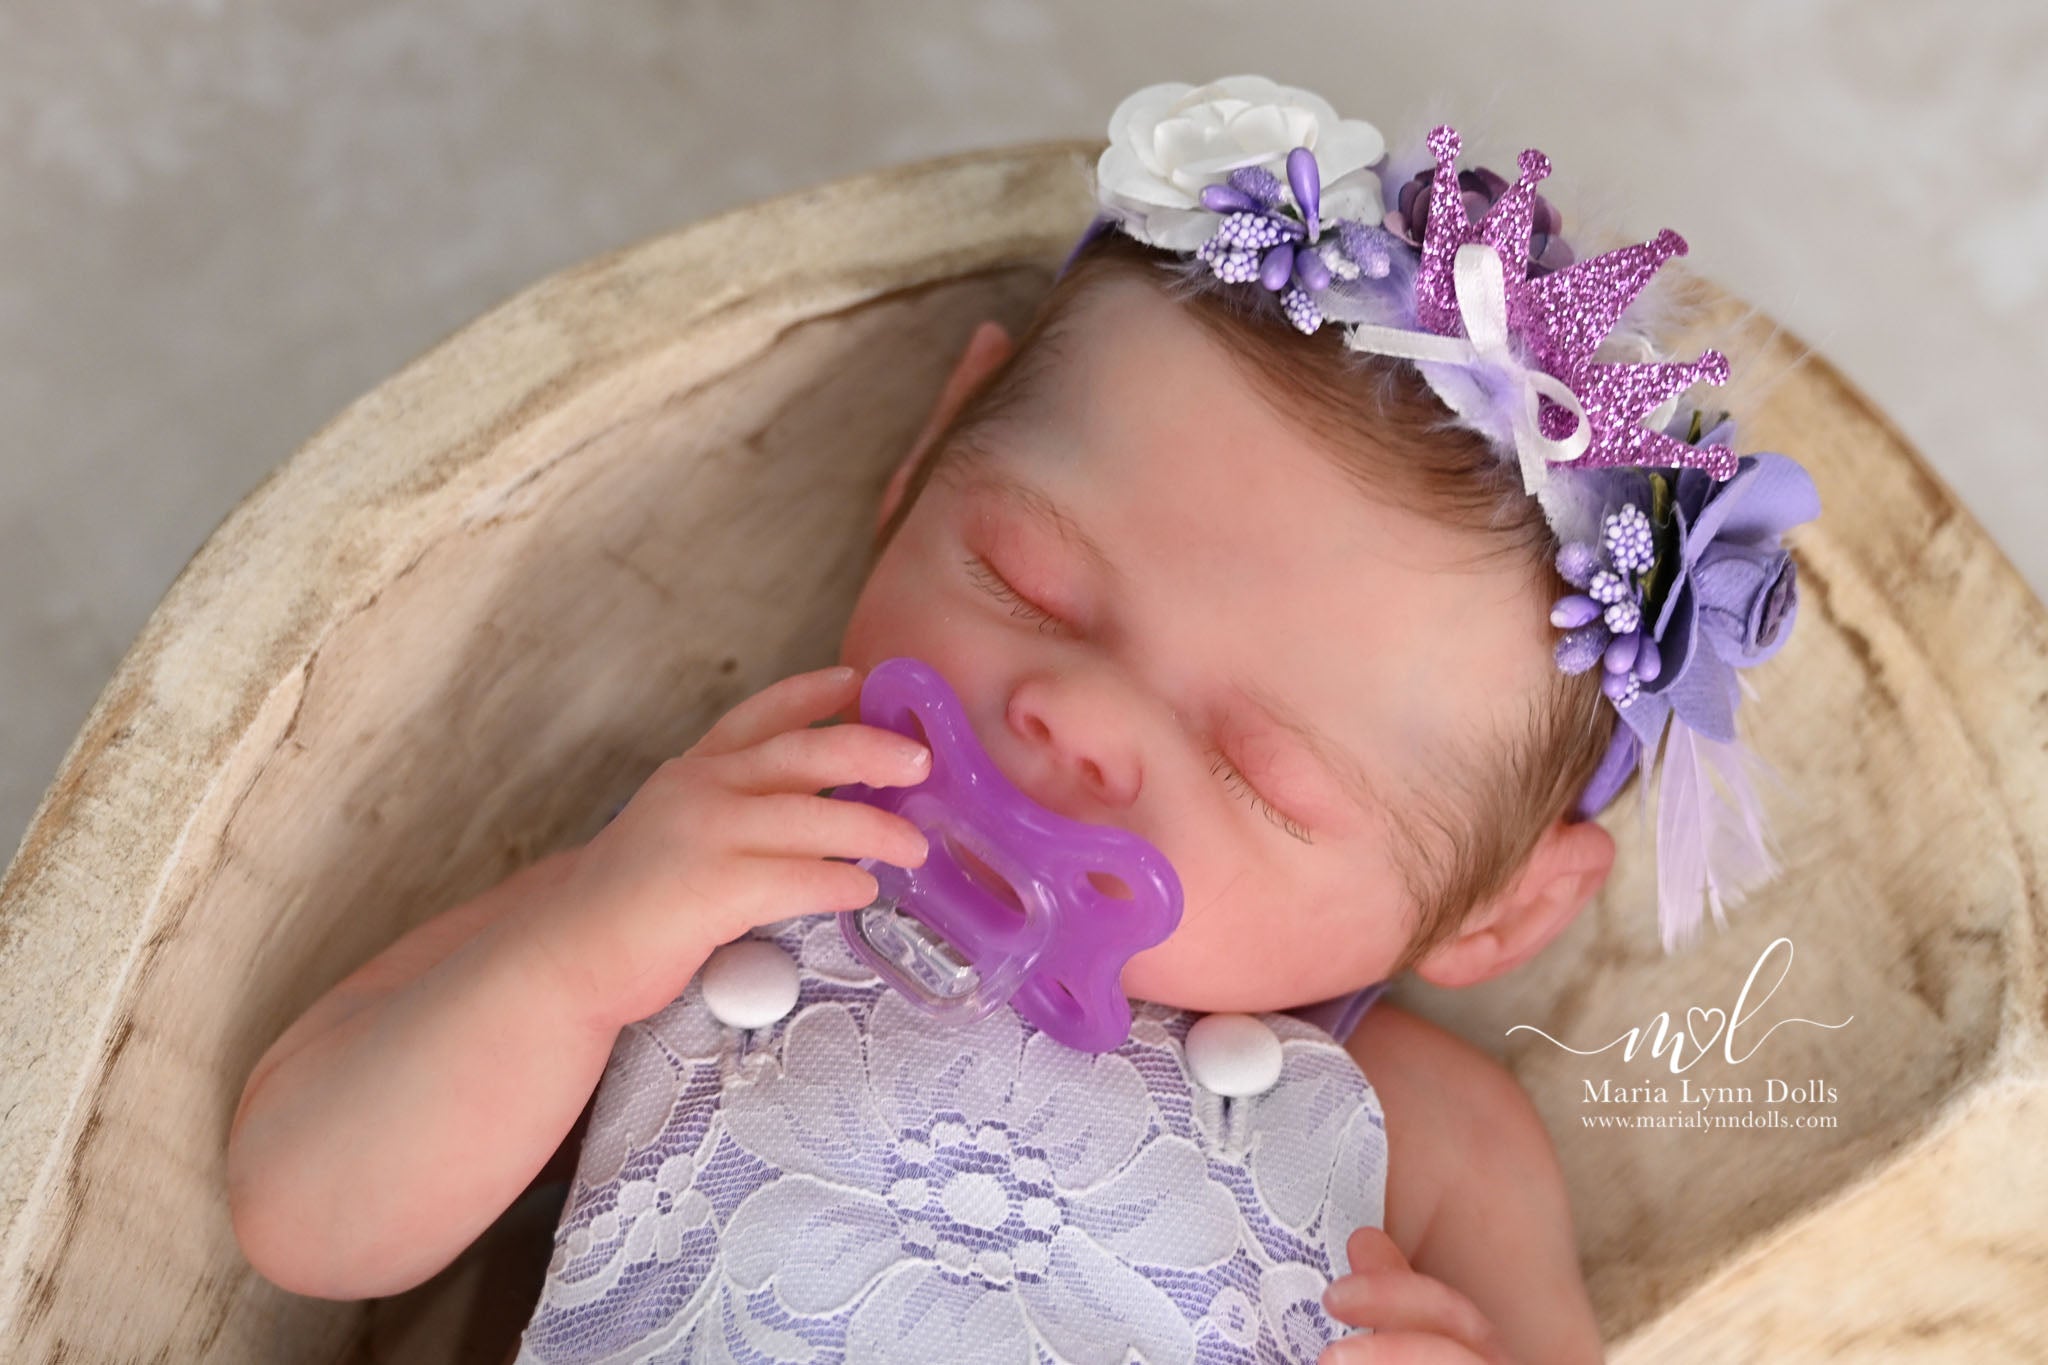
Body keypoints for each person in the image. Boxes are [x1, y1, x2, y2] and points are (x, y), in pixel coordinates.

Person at [226, 75, 1818, 1365]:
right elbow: (305, 1211)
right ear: (923, 459)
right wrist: (578, 948)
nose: (1076, 719)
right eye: (1028, 583)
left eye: (1258, 772)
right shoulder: (723, 864)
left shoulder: (1442, 1142)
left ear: (1499, 908)